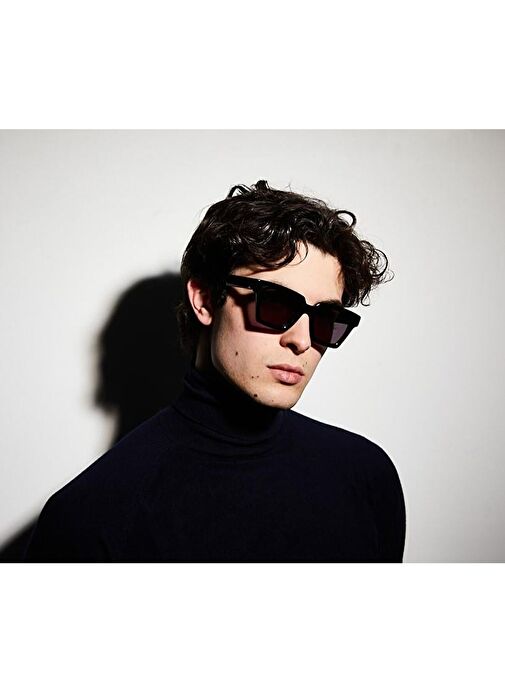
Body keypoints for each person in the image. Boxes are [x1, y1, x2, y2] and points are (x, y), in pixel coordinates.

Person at [25, 180, 406, 562]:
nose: (302, 341)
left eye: (325, 318)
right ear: (205, 301)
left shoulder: (366, 476)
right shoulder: (89, 516)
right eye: (274, 304)